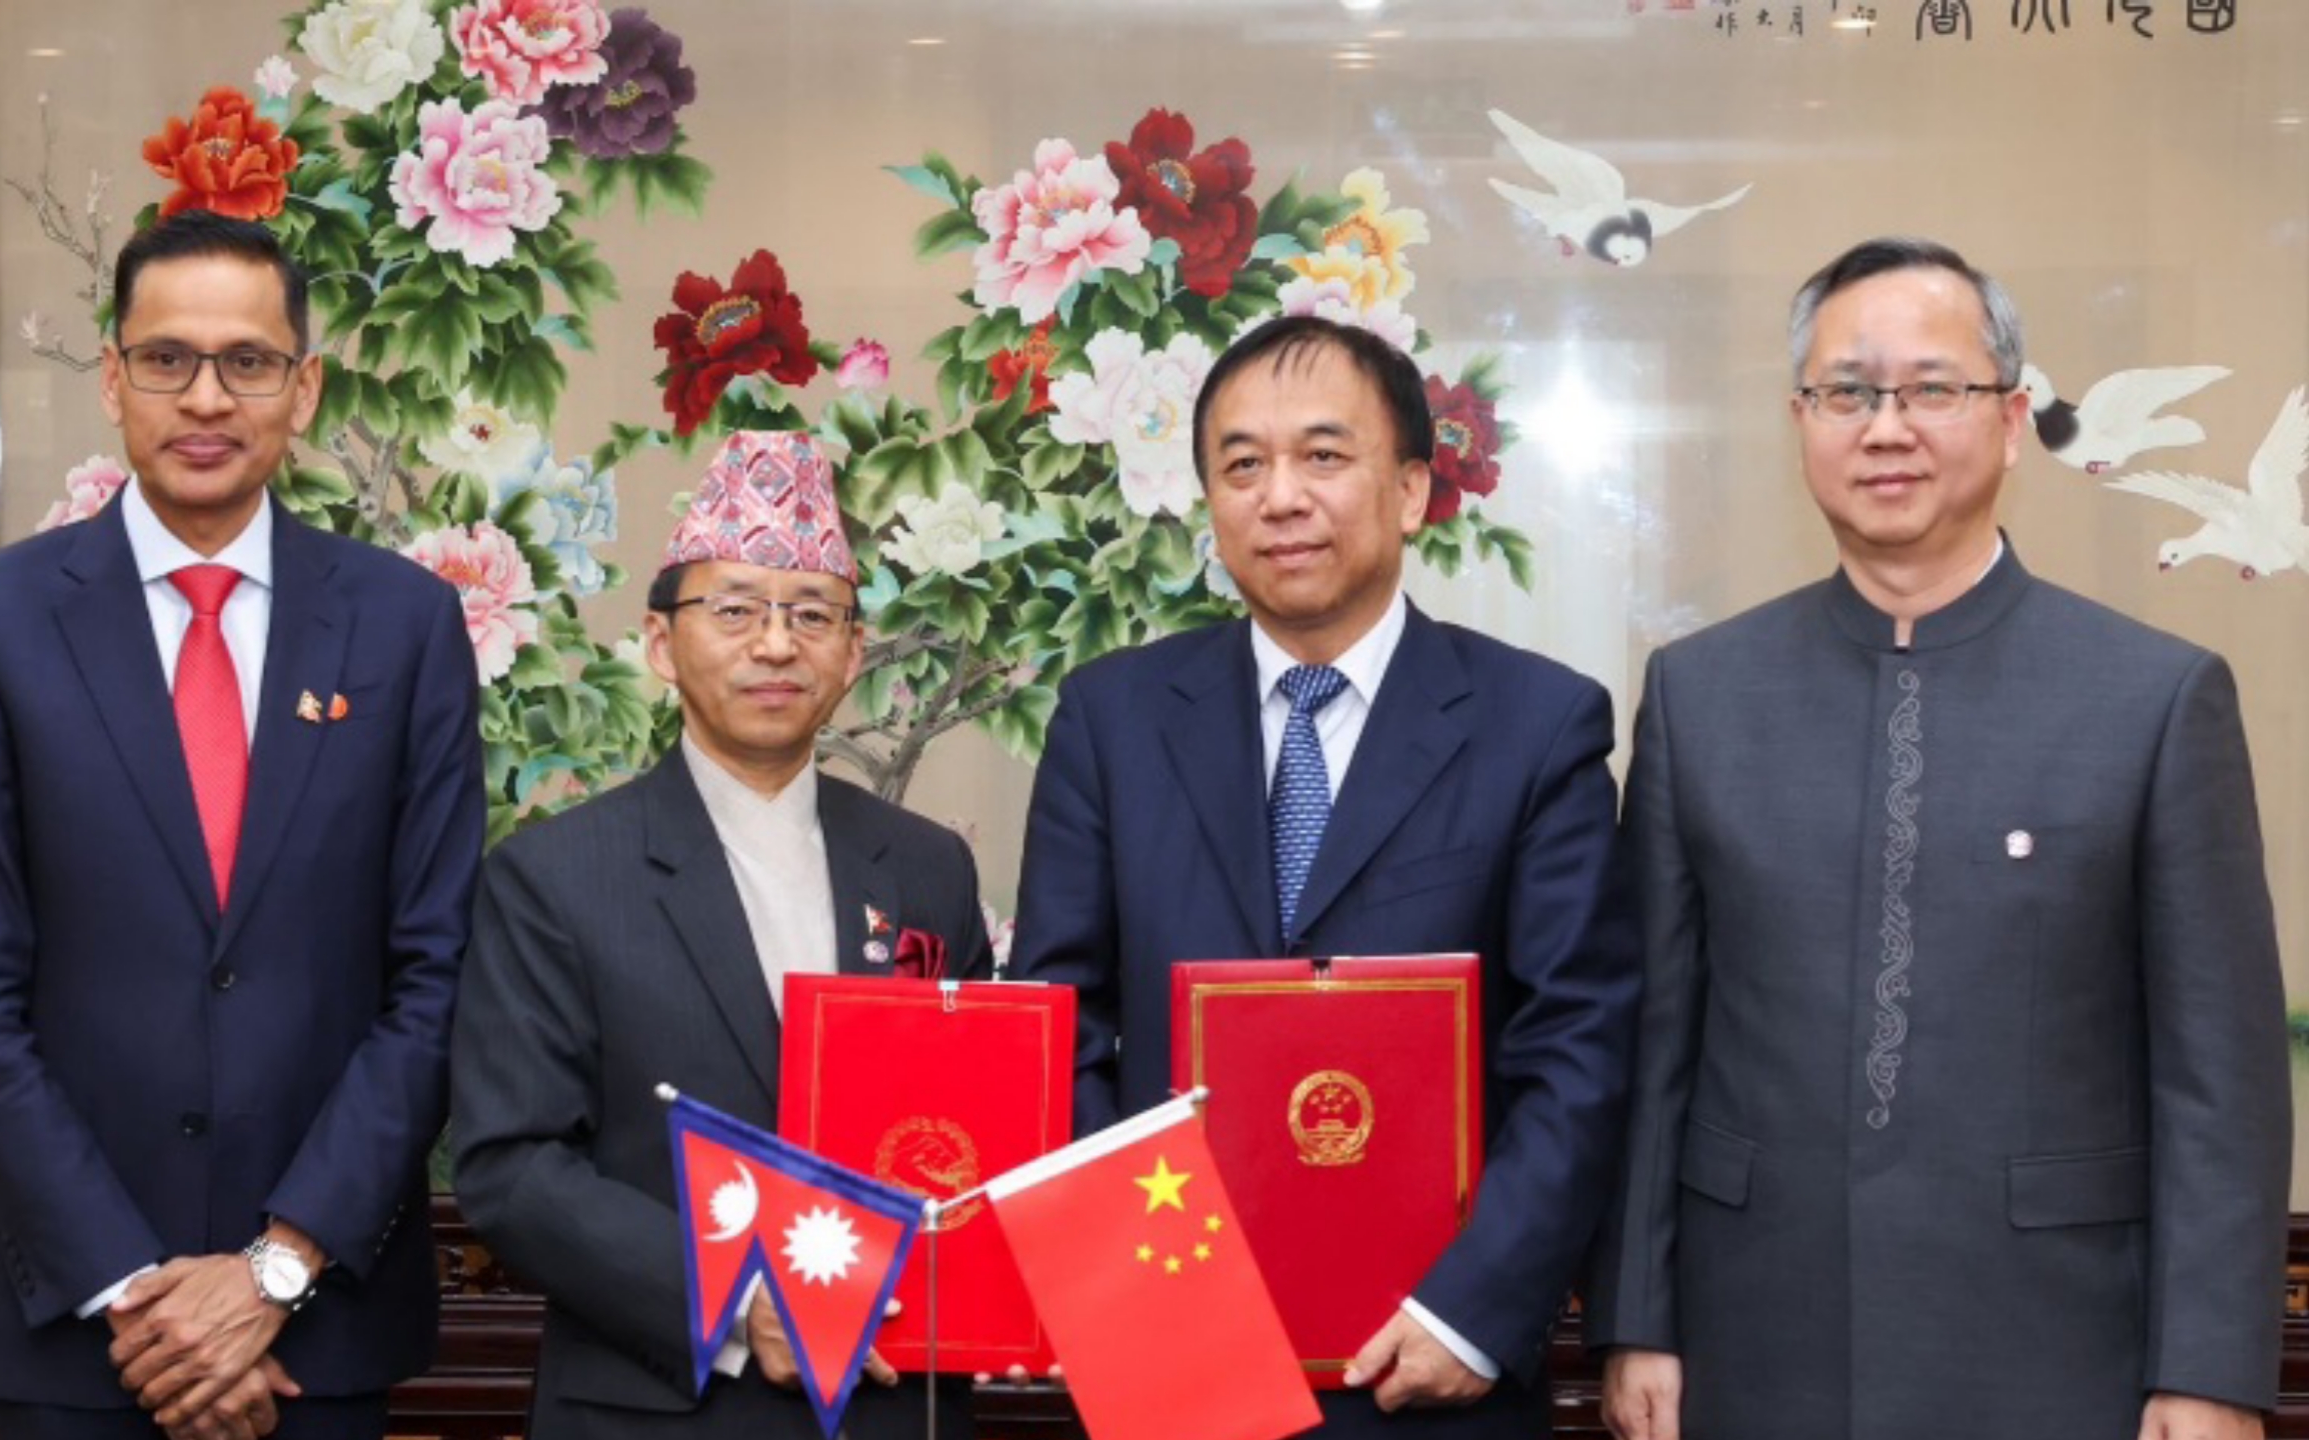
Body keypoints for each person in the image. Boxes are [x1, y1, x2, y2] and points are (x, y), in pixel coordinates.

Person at [1585, 236, 2290, 1440]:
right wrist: (1634, 1317)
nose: (1885, 428)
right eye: (1845, 393)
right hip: (1754, 1338)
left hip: (2057, 1345)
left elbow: (2218, 1077)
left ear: (2011, 422)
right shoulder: (1702, 695)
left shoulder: (2153, 699)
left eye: (1930, 389)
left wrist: (2210, 1370)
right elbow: (1655, 1040)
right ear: (1800, 421)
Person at [0, 210, 485, 1439]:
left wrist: (274, 1271)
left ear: (303, 388)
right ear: (113, 378)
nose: (206, 398)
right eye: (167, 358)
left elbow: (436, 975)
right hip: (74, 1330)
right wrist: (143, 1300)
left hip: (320, 1330)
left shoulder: (402, 626)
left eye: (248, 361)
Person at [1009, 315, 1640, 1438]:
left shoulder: (1536, 725)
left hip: (1433, 1373)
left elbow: (1578, 1046)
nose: (1281, 497)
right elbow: (1059, 1027)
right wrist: (1145, 1285)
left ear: (1410, 490)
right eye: (1242, 465)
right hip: (1173, 1365)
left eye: (1323, 455)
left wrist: (1470, 1313)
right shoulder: (1111, 720)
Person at [449, 430, 993, 1439]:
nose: (776, 645)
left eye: (811, 614)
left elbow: (972, 1126)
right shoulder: (553, 876)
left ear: (852, 652)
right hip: (656, 1409)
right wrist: (743, 1298)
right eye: (735, 611)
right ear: (662, 644)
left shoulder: (928, 869)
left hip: (891, 1399)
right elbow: (511, 1163)